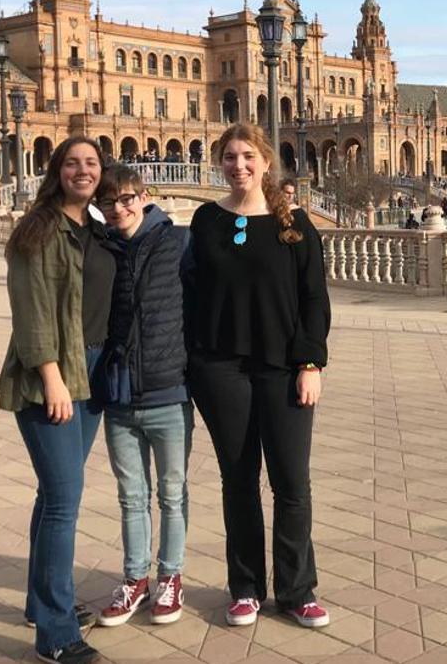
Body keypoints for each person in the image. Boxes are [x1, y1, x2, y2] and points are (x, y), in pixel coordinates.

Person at [188, 122, 332, 629]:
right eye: (229, 156)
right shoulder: (205, 220)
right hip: (221, 370)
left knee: (292, 481)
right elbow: (188, 292)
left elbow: (314, 298)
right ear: (219, 164)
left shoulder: (294, 223)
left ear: (266, 162)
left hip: (284, 370)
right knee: (239, 482)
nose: (238, 165)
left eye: (248, 155)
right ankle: (246, 588)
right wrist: (193, 364)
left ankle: (297, 590)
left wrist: (311, 362)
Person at [0, 136, 114, 664]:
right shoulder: (37, 230)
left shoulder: (97, 228)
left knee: (53, 496)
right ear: (56, 170)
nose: (82, 171)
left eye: (91, 163)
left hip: (93, 370)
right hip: (55, 375)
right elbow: (30, 311)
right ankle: (57, 634)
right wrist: (52, 377)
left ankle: (38, 604)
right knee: (64, 500)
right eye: (72, 163)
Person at [92, 164, 196, 629]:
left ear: (145, 196)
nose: (119, 209)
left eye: (127, 198)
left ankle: (170, 577)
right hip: (119, 397)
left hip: (168, 391)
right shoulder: (101, 249)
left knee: (171, 493)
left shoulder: (179, 244)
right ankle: (136, 579)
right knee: (131, 495)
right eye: (109, 201)